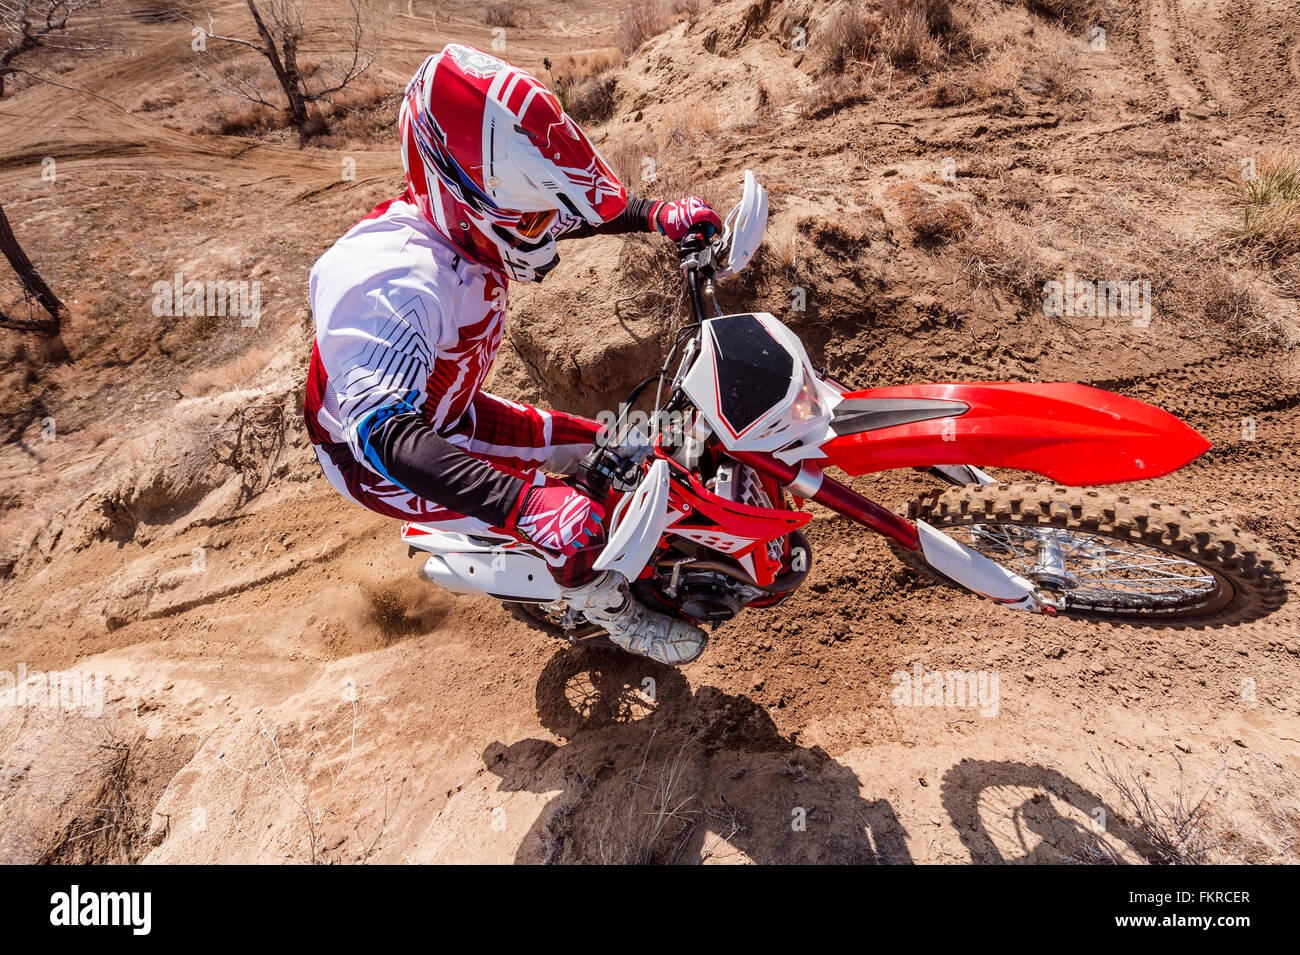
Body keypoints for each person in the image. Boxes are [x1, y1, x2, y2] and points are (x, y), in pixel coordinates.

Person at [305, 43, 722, 665]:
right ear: (459, 199)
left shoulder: (480, 215)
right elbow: (386, 440)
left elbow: (552, 205)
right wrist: (521, 504)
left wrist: (654, 214)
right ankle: (611, 608)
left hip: (451, 408)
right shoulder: (394, 285)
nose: (548, 231)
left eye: (544, 215)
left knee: (611, 448)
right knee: (568, 524)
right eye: (532, 224)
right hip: (382, 455)